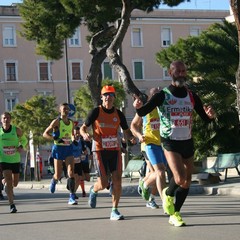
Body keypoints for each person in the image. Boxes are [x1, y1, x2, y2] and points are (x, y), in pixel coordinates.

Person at [133, 60, 216, 227]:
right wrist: (137, 107)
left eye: (183, 71)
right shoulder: (162, 95)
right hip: (170, 142)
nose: (181, 74)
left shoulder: (191, 96)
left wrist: (211, 115)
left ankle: (175, 213)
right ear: (170, 73)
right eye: (177, 71)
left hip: (187, 141)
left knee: (186, 181)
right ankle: (168, 193)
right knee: (179, 177)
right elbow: (143, 111)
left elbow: (205, 119)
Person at [80, 85, 136, 220]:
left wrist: (132, 138)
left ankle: (114, 210)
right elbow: (83, 128)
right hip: (99, 150)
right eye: (105, 95)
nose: (108, 98)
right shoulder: (96, 112)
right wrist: (85, 135)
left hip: (114, 150)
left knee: (117, 180)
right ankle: (94, 190)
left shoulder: (119, 114)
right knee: (104, 183)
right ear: (101, 97)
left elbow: (126, 131)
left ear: (114, 98)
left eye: (111, 95)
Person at [131, 88, 167, 209]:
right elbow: (133, 125)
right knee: (159, 173)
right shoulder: (146, 109)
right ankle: (159, 200)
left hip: (161, 144)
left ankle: (145, 186)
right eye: (157, 95)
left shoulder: (164, 109)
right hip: (148, 144)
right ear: (152, 98)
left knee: (159, 174)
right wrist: (139, 135)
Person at [43, 103, 77, 205]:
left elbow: (71, 134)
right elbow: (45, 134)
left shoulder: (71, 123)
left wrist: (73, 139)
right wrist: (56, 139)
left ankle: (71, 196)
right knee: (58, 174)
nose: (66, 111)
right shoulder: (57, 121)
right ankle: (54, 180)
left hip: (68, 148)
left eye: (67, 109)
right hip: (58, 148)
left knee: (71, 172)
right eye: (64, 109)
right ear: (60, 111)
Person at [0, 112, 28, 213]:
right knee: (8, 181)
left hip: (15, 159)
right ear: (1, 120)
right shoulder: (0, 132)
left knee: (15, 183)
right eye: (4, 118)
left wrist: (21, 146)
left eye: (7, 118)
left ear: (10, 119)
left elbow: (24, 140)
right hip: (4, 160)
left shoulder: (16, 130)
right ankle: (12, 205)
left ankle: (6, 183)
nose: (6, 120)